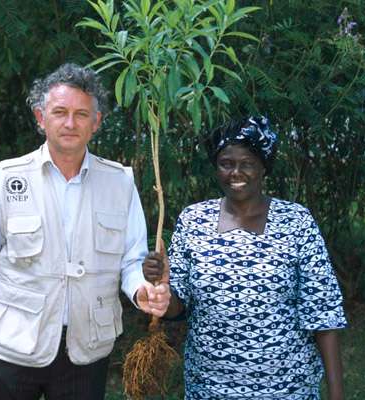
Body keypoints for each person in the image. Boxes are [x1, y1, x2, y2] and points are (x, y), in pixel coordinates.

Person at [0, 63, 170, 400]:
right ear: (40, 117)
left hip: (87, 348)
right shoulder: (7, 179)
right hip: (13, 347)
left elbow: (131, 260)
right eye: (59, 112)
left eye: (81, 114)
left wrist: (142, 292)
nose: (70, 123)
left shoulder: (120, 183)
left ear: (96, 122)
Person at [143, 116, 347, 399]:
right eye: (226, 163)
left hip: (287, 388)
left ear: (264, 167)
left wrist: (337, 394)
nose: (235, 172)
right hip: (210, 387)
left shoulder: (296, 222)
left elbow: (323, 314)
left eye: (247, 163)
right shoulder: (194, 220)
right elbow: (177, 308)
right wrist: (161, 285)